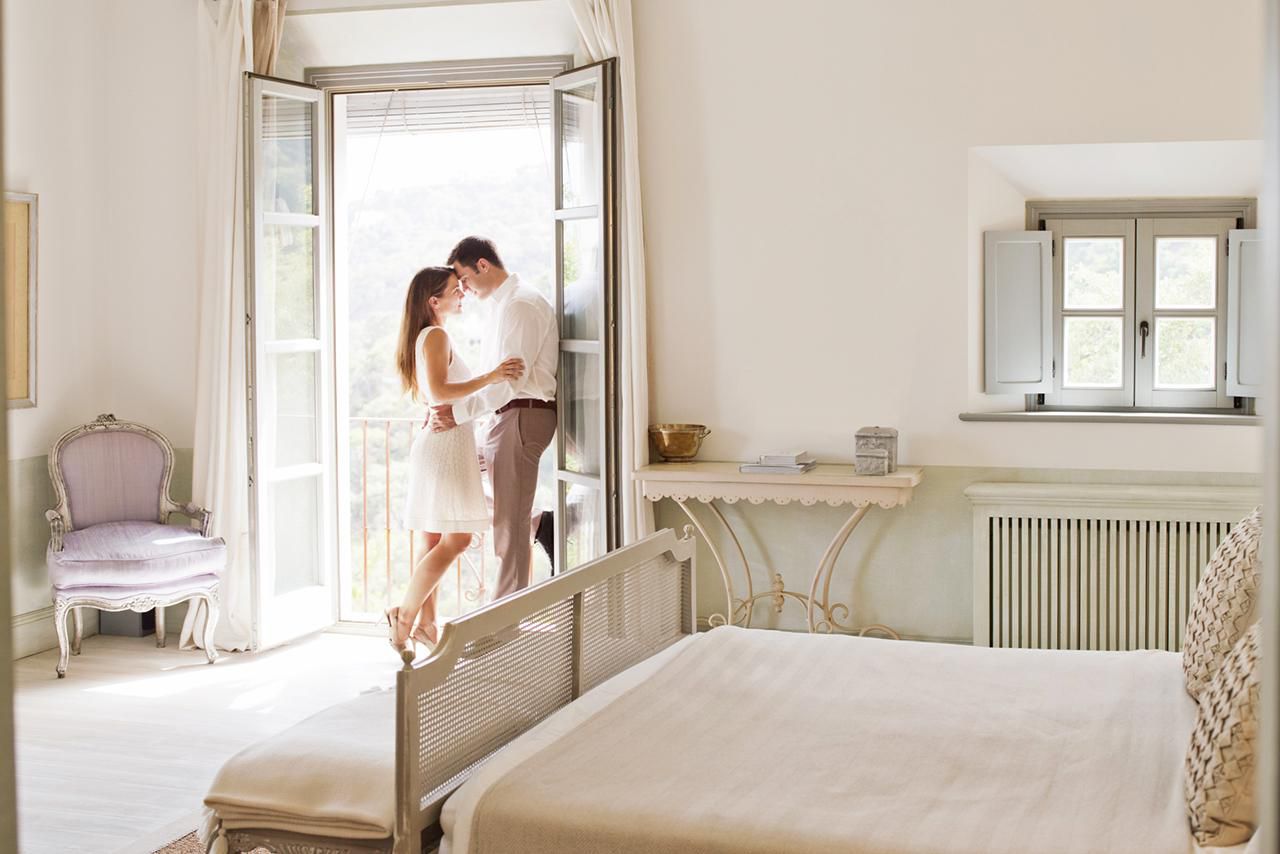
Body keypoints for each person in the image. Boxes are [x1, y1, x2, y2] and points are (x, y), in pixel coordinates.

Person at [390, 265, 524, 661]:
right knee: (458, 538)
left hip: (443, 442)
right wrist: (492, 376)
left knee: (433, 539)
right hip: (444, 447)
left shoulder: (428, 336)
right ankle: (404, 615)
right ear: (435, 301)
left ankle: (427, 624)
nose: (462, 293)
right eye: (455, 290)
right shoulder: (435, 335)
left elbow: (435, 395)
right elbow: (440, 390)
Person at [429, 236, 559, 600]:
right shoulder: (503, 306)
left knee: (508, 529)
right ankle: (540, 521)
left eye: (464, 279)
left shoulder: (520, 305)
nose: (464, 290)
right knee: (455, 476)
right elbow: (495, 379)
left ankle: (506, 622)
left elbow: (509, 382)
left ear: (483, 265)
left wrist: (457, 414)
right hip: (503, 418)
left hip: (523, 414)